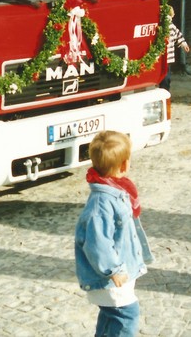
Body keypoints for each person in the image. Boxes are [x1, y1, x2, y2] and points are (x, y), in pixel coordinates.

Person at [74, 131, 154, 337]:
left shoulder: (117, 191)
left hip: (119, 271)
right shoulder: (101, 204)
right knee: (127, 314)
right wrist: (114, 269)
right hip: (109, 276)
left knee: (111, 314)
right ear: (125, 165)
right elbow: (96, 243)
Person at [160, 7, 190, 92]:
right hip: (165, 57)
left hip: (167, 57)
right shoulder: (168, 26)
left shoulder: (170, 26)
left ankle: (164, 89)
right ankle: (165, 90)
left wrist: (184, 44)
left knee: (166, 76)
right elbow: (179, 35)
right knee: (166, 77)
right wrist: (184, 44)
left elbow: (178, 35)